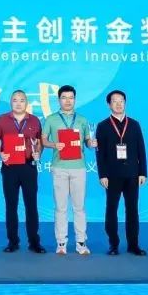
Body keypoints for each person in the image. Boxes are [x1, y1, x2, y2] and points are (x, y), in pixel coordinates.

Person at [41, 85, 97, 256]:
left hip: (79, 168)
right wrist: (54, 145)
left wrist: (92, 143)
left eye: (71, 97)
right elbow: (43, 140)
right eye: (64, 97)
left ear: (75, 99)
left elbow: (87, 142)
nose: (67, 101)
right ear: (59, 100)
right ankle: (61, 242)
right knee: (61, 207)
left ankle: (81, 242)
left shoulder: (82, 120)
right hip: (59, 167)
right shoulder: (51, 119)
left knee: (79, 207)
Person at [0, 90, 46, 254]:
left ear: (26, 103)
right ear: (11, 102)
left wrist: (38, 153)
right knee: (11, 205)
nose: (18, 103)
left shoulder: (35, 120)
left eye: (22, 100)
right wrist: (0, 154)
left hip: (29, 166)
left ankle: (34, 242)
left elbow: (39, 142)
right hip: (10, 167)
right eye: (15, 100)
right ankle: (12, 241)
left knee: (31, 205)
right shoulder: (2, 120)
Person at [95, 90, 148, 256]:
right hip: (112, 175)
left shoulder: (134, 124)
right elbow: (100, 153)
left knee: (132, 210)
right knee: (111, 209)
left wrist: (143, 172)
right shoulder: (102, 126)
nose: (118, 104)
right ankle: (113, 244)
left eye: (121, 101)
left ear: (125, 103)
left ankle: (133, 245)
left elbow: (141, 149)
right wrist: (102, 175)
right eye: (114, 101)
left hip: (132, 174)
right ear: (109, 104)